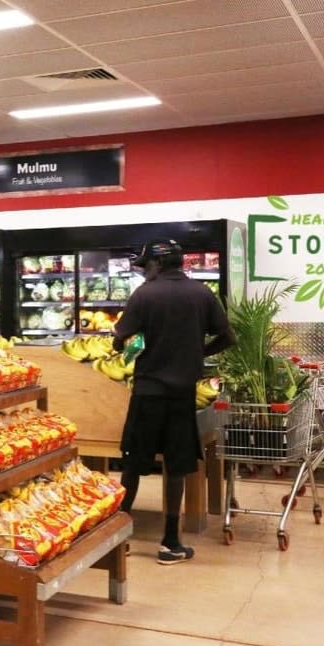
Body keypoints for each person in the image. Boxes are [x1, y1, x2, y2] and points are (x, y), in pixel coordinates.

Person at [112, 239, 234, 565]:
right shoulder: (201, 293)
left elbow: (119, 340)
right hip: (182, 397)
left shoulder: (144, 295)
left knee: (134, 464)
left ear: (157, 264)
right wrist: (197, 352)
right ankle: (170, 543)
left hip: (147, 393)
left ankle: (118, 538)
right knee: (177, 467)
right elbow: (227, 336)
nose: (144, 273)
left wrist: (128, 344)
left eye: (145, 266)